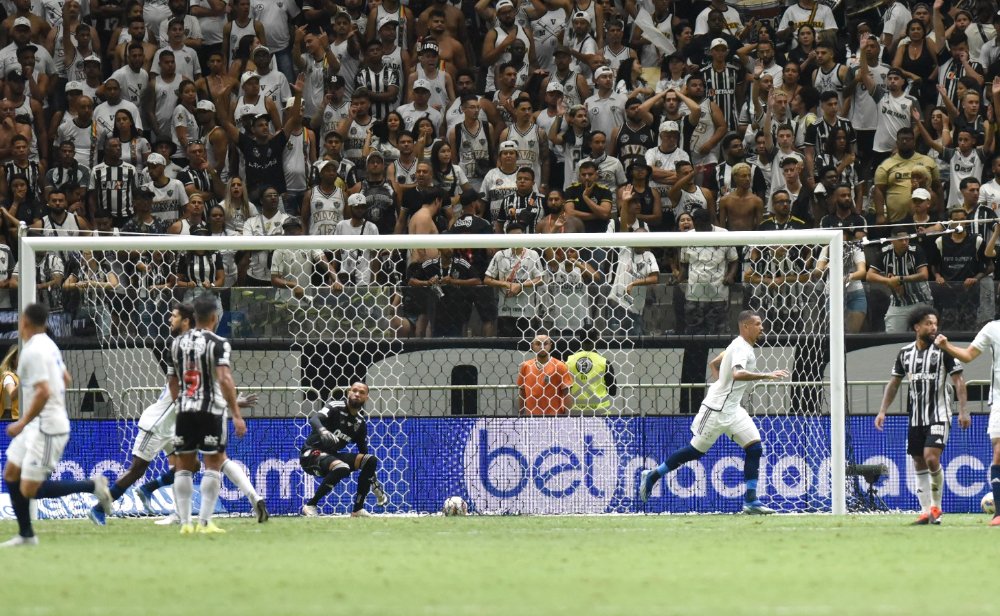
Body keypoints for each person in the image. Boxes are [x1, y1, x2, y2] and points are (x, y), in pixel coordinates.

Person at [88, 303, 268, 526]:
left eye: (174, 316)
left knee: (191, 467)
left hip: (175, 424)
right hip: (159, 423)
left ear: (187, 321)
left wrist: (231, 402)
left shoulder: (188, 348)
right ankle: (99, 508)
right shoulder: (184, 349)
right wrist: (231, 404)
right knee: (137, 469)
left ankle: (158, 497)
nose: (169, 319)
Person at [639, 310, 789, 514]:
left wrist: (721, 383)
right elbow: (737, 373)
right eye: (757, 323)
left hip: (733, 410)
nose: (762, 327)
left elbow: (714, 363)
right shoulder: (741, 348)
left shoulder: (738, 346)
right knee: (695, 452)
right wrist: (766, 375)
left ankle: (751, 501)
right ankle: (654, 475)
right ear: (745, 326)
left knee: (754, 448)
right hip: (716, 410)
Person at [2, 303, 115, 547]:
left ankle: (92, 485)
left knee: (30, 489)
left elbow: (43, 392)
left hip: (47, 427)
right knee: (11, 473)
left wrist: (22, 422)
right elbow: (65, 377)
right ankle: (26, 535)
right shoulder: (49, 345)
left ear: (24, 322)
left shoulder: (32, 351)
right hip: (38, 424)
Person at [876, 306, 968, 525]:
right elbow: (894, 383)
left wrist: (963, 410)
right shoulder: (905, 353)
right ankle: (926, 510)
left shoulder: (944, 350)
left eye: (935, 323)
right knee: (918, 461)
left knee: (931, 457)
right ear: (917, 327)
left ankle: (936, 507)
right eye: (929, 323)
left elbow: (959, 381)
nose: (933, 327)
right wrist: (882, 410)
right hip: (916, 417)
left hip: (939, 414)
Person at [167, 294, 246, 534]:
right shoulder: (219, 342)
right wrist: (236, 413)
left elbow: (172, 381)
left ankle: (184, 524)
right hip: (210, 410)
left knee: (183, 465)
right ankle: (204, 522)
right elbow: (224, 378)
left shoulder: (176, 343)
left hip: (184, 410)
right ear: (214, 317)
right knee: (213, 463)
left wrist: (180, 402)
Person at [934, 311, 1000, 526]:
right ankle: (999, 512)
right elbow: (969, 355)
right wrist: (946, 346)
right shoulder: (993, 328)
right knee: (999, 453)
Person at [299, 382, 389, 517]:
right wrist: (323, 431)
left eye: (362, 392)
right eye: (354, 390)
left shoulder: (359, 422)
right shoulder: (335, 406)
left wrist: (373, 481)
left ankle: (357, 510)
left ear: (367, 398)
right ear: (348, 392)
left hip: (331, 456)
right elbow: (314, 419)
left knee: (370, 460)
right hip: (311, 454)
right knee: (342, 467)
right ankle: (311, 505)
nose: (357, 394)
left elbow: (363, 453)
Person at [517, 334, 572, 416]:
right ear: (532, 346)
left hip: (554, 418)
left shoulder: (560, 366)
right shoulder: (526, 366)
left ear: (550, 345)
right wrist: (520, 415)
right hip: (532, 418)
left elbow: (567, 393)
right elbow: (522, 393)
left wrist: (568, 417)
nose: (542, 347)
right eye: (538, 344)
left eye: (545, 343)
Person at [567, 328, 617, 413]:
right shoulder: (604, 362)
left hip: (576, 412)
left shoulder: (569, 361)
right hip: (600, 411)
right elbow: (612, 391)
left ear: (580, 339)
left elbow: (565, 388)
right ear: (597, 339)